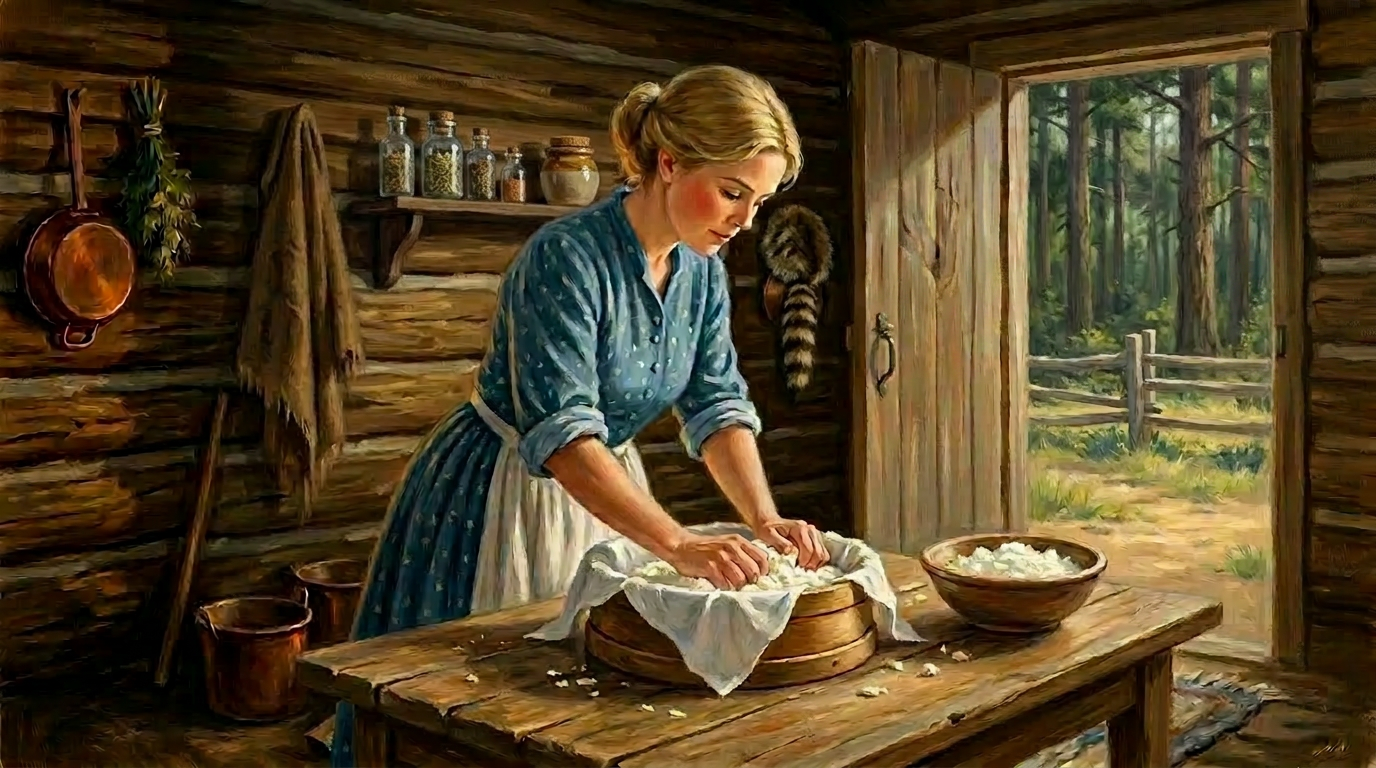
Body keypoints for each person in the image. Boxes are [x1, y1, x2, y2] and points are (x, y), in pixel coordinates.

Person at [328, 63, 829, 767]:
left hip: (609, 491)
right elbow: (562, 436)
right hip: (503, 492)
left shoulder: (703, 273)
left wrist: (762, 518)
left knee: (593, 712)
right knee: (491, 711)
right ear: (668, 162)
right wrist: (679, 545)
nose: (745, 221)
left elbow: (716, 404)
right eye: (732, 193)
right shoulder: (564, 258)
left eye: (760, 201)